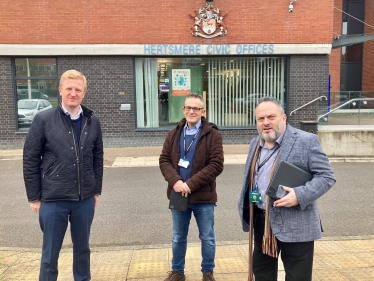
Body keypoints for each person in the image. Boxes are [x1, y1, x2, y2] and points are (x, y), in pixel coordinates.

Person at [238, 97, 336, 281]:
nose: (266, 122)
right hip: (262, 223)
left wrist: (299, 195)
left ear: (283, 118)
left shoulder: (306, 141)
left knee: (297, 278)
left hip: (297, 224)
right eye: (261, 119)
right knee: (263, 276)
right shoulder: (255, 143)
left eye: (271, 117)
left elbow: (326, 176)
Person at [23, 69, 103, 281]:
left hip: (84, 198)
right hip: (53, 198)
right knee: (50, 254)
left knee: (83, 251)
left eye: (78, 89)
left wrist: (96, 190)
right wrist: (34, 196)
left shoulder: (92, 120)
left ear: (84, 92)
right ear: (60, 90)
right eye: (69, 88)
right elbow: (30, 158)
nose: (73, 93)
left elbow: (98, 156)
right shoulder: (43, 119)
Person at [159, 93, 224, 281]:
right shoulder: (173, 134)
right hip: (178, 195)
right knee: (178, 236)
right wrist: (177, 183)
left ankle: (207, 272)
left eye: (196, 108)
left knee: (207, 237)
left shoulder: (213, 134)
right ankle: (178, 272)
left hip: (203, 196)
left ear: (203, 111)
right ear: (183, 110)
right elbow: (164, 160)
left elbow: (216, 165)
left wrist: (189, 184)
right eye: (188, 107)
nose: (191, 111)